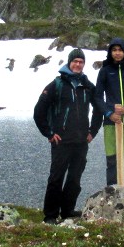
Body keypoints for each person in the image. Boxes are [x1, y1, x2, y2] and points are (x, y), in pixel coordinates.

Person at [33, 48, 105, 224]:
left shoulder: (87, 85)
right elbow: (39, 111)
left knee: (75, 178)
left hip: (81, 141)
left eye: (81, 62)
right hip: (61, 141)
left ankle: (67, 211)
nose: (78, 64)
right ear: (69, 62)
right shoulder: (57, 84)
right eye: (75, 61)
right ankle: (50, 215)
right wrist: (49, 133)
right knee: (56, 178)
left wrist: (92, 131)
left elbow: (99, 109)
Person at [94, 37, 124, 201]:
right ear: (110, 52)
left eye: (120, 50)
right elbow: (97, 97)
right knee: (112, 157)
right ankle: (112, 190)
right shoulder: (105, 71)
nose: (117, 53)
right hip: (110, 121)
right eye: (114, 50)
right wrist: (109, 113)